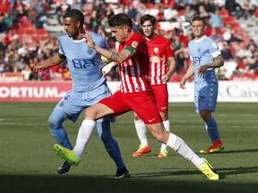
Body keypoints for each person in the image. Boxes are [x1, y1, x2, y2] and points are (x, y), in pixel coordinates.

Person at [54, 13, 219, 180]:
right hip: (124, 93)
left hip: (140, 94)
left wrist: (94, 46)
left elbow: (121, 56)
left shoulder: (137, 39)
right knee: (91, 112)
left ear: (126, 29)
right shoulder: (122, 41)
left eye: (115, 31)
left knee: (161, 135)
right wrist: (111, 65)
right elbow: (119, 60)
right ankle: (76, 154)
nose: (113, 35)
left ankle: (200, 163)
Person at [33, 9, 129, 178]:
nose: (64, 28)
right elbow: (59, 58)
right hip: (76, 93)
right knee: (53, 122)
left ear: (78, 24)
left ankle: (122, 168)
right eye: (64, 24)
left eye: (67, 24)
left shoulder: (97, 39)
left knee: (104, 135)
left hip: (99, 92)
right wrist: (44, 64)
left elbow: (110, 57)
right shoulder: (64, 41)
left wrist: (110, 65)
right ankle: (71, 156)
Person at [131, 14, 176, 158]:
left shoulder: (163, 41)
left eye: (149, 25)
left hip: (159, 83)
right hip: (143, 84)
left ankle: (164, 148)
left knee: (162, 115)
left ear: (154, 26)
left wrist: (168, 74)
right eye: (144, 26)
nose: (147, 28)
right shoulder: (138, 41)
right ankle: (144, 145)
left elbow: (173, 61)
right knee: (137, 114)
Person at [180, 16, 224, 154]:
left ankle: (217, 142)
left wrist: (208, 65)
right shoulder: (191, 44)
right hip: (197, 84)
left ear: (204, 27)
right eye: (194, 26)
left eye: (199, 26)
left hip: (209, 81)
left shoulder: (209, 42)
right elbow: (194, 65)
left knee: (205, 112)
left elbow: (220, 60)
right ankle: (216, 143)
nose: (196, 28)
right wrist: (185, 77)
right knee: (202, 113)